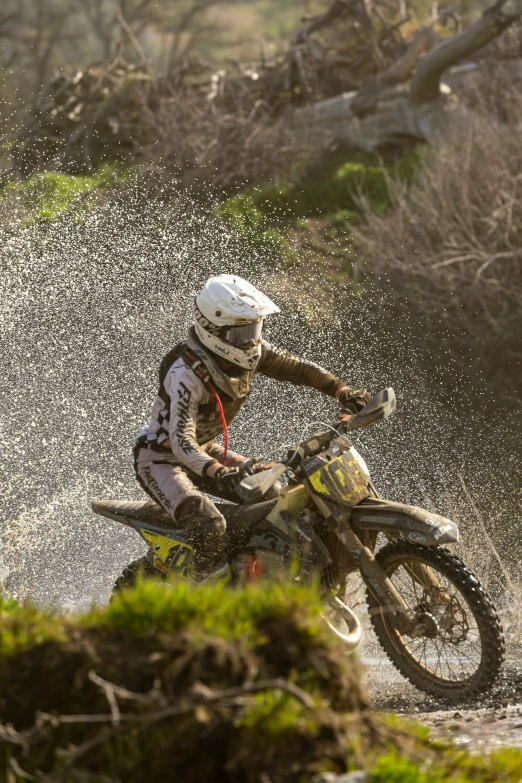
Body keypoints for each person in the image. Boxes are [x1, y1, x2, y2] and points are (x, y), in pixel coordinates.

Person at [134, 274, 370, 573]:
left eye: (254, 329)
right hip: (160, 460)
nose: (250, 340)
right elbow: (181, 440)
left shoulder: (253, 351)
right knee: (209, 524)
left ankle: (258, 573)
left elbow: (300, 369)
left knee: (275, 501)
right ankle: (199, 592)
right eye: (241, 332)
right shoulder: (185, 373)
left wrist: (343, 390)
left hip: (206, 451)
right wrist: (219, 471)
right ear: (212, 331)